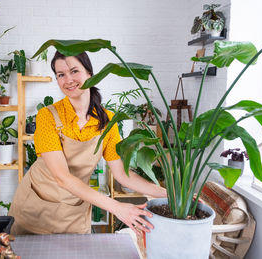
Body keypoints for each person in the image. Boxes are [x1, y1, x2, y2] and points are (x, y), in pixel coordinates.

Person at [8, 51, 166, 236]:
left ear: (89, 73)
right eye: (61, 75)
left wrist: (167, 194)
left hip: (73, 212)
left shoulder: (108, 120)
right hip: (35, 209)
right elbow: (62, 177)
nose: (68, 80)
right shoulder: (48, 116)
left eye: (75, 71)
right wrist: (117, 208)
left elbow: (122, 174)